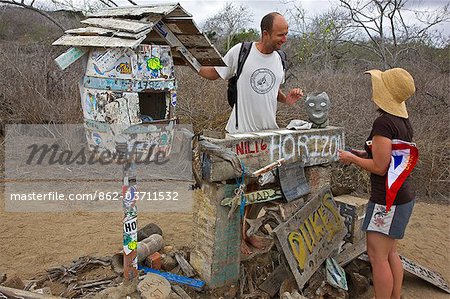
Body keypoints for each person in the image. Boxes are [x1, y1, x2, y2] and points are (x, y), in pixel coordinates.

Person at [199, 12, 304, 255]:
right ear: (265, 33)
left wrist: (286, 99)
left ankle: (247, 233)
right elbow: (215, 72)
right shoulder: (241, 52)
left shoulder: (281, 58)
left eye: (286, 33)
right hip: (239, 135)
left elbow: (274, 88)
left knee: (257, 191)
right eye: (281, 34)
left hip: (267, 137)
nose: (285, 39)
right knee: (239, 190)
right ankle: (236, 238)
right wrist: (190, 61)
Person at [338, 68, 417, 299]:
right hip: (402, 196)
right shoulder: (402, 121)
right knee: (391, 252)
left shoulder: (383, 123)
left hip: (387, 200)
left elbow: (380, 167)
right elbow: (389, 156)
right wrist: (362, 153)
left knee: (377, 256)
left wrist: (351, 158)